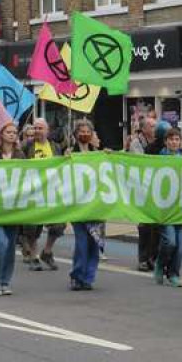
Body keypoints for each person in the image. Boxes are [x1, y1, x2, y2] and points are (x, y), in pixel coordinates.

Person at [0, 123, 26, 296]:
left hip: (13, 208)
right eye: (8, 132)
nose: (12, 135)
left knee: (9, 247)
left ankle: (5, 281)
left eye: (15, 132)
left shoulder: (20, 155)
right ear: (1, 135)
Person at [21, 118, 64, 271]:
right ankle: (33, 256)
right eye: (35, 128)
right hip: (33, 191)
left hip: (52, 191)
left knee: (59, 224)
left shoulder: (56, 147)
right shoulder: (27, 146)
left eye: (41, 128)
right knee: (32, 227)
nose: (38, 131)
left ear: (47, 130)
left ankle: (47, 251)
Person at [68, 119, 105, 291]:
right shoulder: (69, 153)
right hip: (77, 204)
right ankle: (77, 276)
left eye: (87, 131)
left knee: (94, 243)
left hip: (96, 205)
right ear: (75, 134)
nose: (84, 134)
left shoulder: (98, 154)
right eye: (81, 131)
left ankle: (89, 277)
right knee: (82, 242)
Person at [155, 127, 182, 287]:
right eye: (171, 139)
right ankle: (160, 265)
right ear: (166, 141)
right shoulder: (157, 159)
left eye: (177, 139)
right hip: (165, 208)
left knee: (181, 247)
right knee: (170, 242)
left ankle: (174, 274)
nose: (174, 142)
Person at [129, 116, 160, 271]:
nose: (155, 128)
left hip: (157, 189)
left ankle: (152, 257)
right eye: (152, 126)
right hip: (142, 188)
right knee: (144, 226)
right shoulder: (136, 143)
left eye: (156, 126)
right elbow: (141, 162)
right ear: (144, 128)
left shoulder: (159, 142)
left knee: (156, 225)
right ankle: (142, 258)